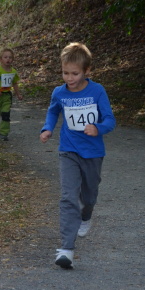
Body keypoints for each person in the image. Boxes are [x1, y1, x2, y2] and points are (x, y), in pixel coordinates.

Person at [40, 42, 115, 269]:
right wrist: (47, 128)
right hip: (68, 150)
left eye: (74, 73)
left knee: (89, 196)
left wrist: (98, 128)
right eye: (65, 73)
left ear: (86, 71)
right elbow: (53, 111)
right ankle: (66, 249)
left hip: (93, 153)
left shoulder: (97, 91)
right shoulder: (59, 93)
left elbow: (110, 120)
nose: (69, 78)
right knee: (68, 197)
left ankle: (86, 215)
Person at [0, 48, 22, 141]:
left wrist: (18, 94)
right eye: (5, 57)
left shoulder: (13, 72)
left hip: (7, 96)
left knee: (6, 113)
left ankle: (4, 133)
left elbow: (15, 83)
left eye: (10, 57)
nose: (8, 59)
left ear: (13, 59)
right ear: (1, 59)